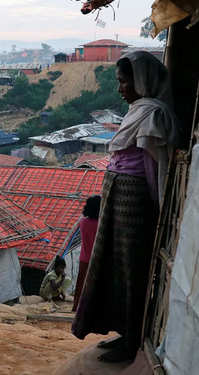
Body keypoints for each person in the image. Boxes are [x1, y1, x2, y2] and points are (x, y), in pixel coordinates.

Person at [72, 51, 179, 363]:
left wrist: (158, 208)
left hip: (134, 202)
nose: (119, 88)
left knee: (133, 269)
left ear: (141, 81)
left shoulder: (153, 116)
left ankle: (133, 340)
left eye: (123, 81)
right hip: (117, 197)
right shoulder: (139, 111)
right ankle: (121, 328)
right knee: (116, 265)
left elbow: (154, 168)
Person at [72, 195, 101, 312]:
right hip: (97, 259)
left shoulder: (82, 222)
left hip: (84, 258)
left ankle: (78, 307)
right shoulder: (100, 224)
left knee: (82, 284)